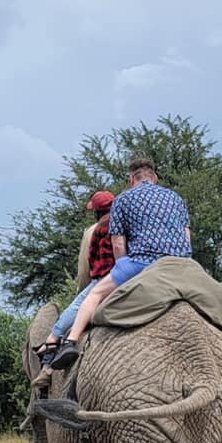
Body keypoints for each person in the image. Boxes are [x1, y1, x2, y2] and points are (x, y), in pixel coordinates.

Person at [50, 158, 192, 370]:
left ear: (131, 179)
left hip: (141, 262)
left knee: (94, 295)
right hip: (180, 265)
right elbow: (186, 236)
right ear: (155, 177)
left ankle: (70, 341)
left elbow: (118, 245)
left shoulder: (122, 200)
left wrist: (124, 269)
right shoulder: (176, 198)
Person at [32, 190, 115, 387]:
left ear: (95, 212)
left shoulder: (93, 231)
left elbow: (84, 270)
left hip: (103, 281)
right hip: (131, 276)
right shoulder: (128, 223)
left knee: (78, 307)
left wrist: (82, 292)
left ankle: (50, 354)